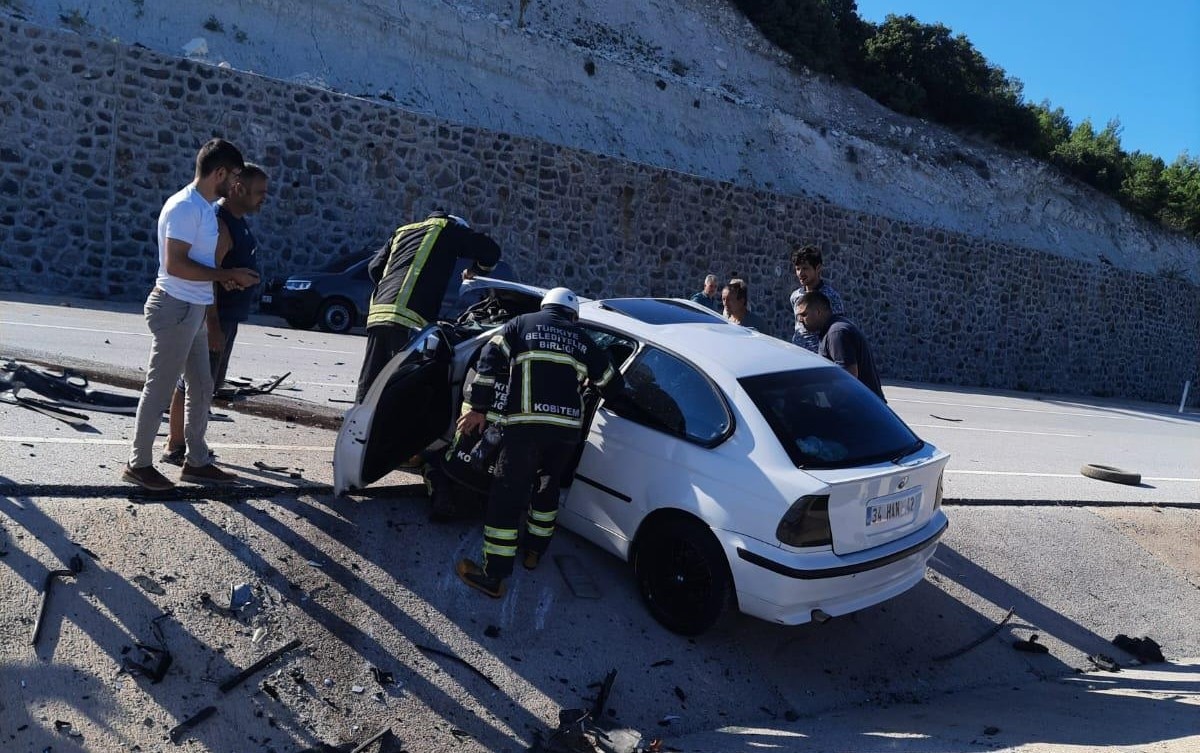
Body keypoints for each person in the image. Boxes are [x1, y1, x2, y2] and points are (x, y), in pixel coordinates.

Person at [455, 287, 625, 598]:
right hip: (565, 435)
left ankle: (494, 576)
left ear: (545, 306)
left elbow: (488, 362)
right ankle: (534, 552)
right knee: (547, 491)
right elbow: (614, 385)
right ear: (573, 314)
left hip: (525, 428)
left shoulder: (520, 324)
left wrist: (479, 408)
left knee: (507, 496)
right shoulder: (582, 339)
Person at [122, 138, 260, 491]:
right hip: (175, 307)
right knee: (160, 386)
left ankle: (196, 461)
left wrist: (222, 282)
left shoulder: (203, 208)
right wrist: (226, 275)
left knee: (202, 386)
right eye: (234, 179)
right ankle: (138, 464)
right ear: (220, 173)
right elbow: (176, 264)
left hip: (194, 308)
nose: (237, 186)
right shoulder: (185, 207)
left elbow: (198, 264)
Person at [161, 164, 269, 465]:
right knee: (194, 382)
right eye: (259, 192)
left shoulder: (238, 222)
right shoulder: (221, 225)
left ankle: (189, 444)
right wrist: (214, 326)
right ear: (238, 189)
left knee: (206, 383)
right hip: (215, 321)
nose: (264, 199)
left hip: (227, 319)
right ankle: (176, 445)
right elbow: (208, 277)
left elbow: (221, 274)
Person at [355, 211, 501, 402]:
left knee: (371, 375)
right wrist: (475, 270)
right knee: (403, 379)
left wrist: (389, 289)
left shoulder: (403, 231)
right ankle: (393, 427)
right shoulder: (449, 230)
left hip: (379, 312)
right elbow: (491, 251)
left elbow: (374, 268)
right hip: (410, 318)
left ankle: (357, 423)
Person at [795, 291, 886, 401]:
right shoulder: (833, 329)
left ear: (818, 312)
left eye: (804, 314)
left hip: (861, 408)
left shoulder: (836, 333)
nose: (800, 320)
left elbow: (848, 377)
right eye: (799, 316)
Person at [788, 245, 845, 352]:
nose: (800, 273)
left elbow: (838, 331)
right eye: (797, 269)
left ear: (818, 268)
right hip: (797, 354)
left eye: (805, 268)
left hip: (819, 357)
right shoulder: (795, 297)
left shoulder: (831, 297)